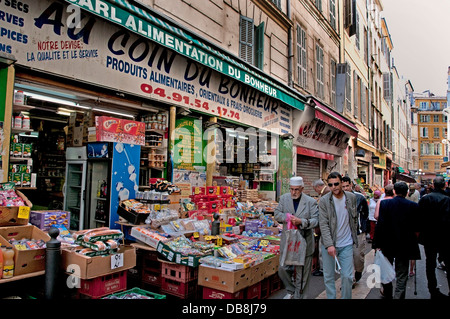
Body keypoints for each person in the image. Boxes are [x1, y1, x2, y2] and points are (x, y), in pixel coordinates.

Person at [372, 181, 421, 299]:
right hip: (405, 244)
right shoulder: (413, 206)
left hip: (387, 243)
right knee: (402, 273)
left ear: (394, 191)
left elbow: (381, 225)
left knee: (386, 269)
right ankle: (399, 296)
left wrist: (377, 243)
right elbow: (417, 226)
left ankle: (388, 293)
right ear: (407, 192)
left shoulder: (385, 204)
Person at [275, 176, 319, 299]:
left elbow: (316, 220)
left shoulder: (310, 202)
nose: (294, 192)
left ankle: (301, 296)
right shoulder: (284, 199)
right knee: (283, 269)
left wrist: (302, 222)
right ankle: (291, 290)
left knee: (302, 274)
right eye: (292, 189)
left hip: (304, 241)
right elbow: (277, 214)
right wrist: (287, 217)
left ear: (302, 189)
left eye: (297, 189)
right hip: (289, 242)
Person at [318, 172, 358, 299]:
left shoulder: (351, 197)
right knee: (329, 277)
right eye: (330, 185)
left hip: (347, 243)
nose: (334, 187)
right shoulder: (324, 201)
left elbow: (354, 218)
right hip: (329, 244)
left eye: (336, 184)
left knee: (347, 276)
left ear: (341, 183)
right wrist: (329, 245)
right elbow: (323, 224)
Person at [418, 176, 450, 299]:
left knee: (430, 264)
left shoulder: (426, 199)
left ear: (433, 185)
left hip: (429, 237)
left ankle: (433, 289)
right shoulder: (447, 200)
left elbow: (419, 217)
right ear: (444, 185)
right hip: (445, 237)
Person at [341, 176, 369, 285]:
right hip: (343, 233)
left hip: (358, 233)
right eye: (343, 186)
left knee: (358, 256)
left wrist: (363, 228)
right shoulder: (337, 198)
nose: (345, 188)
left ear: (351, 185)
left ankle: (358, 271)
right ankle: (350, 280)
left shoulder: (360, 197)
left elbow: (365, 214)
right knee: (345, 258)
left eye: (347, 186)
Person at [312, 179, 330, 277]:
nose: (315, 191)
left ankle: (324, 269)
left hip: (325, 226)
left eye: (315, 189)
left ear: (318, 186)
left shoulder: (326, 193)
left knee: (322, 247)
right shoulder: (326, 192)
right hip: (327, 225)